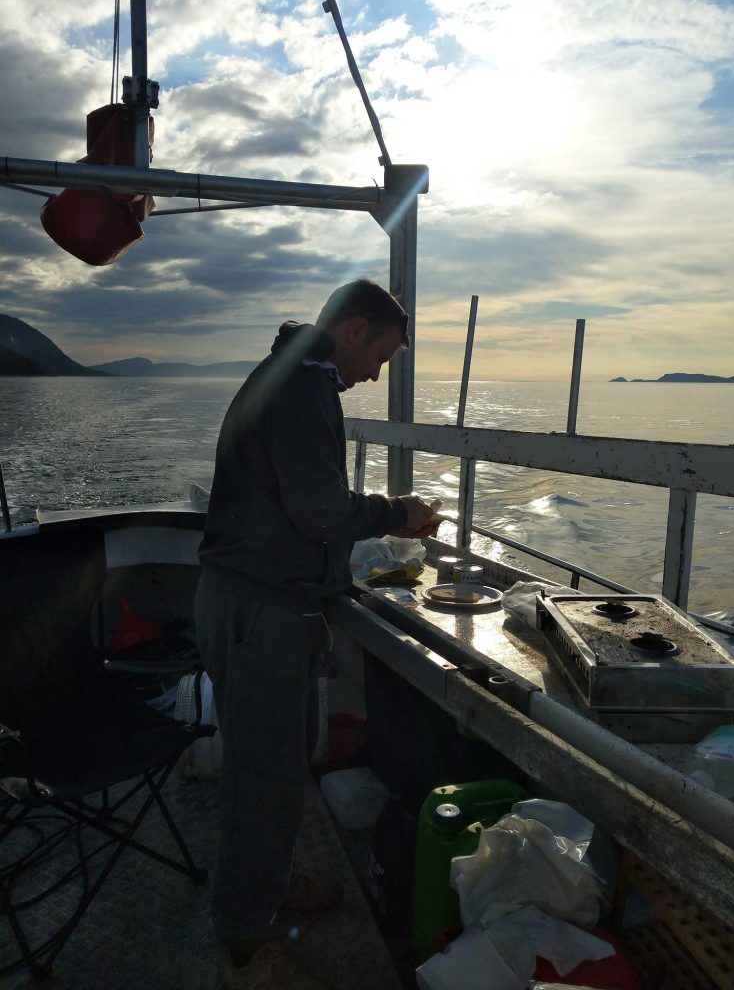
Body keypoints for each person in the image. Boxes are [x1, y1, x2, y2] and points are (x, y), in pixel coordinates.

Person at [195, 278, 439, 989]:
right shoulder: (304, 387)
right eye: (383, 358)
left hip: (262, 608)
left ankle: (264, 892)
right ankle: (245, 944)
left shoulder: (291, 374)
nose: (375, 375)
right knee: (261, 782)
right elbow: (319, 508)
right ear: (357, 329)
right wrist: (399, 511)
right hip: (260, 616)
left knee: (277, 768)